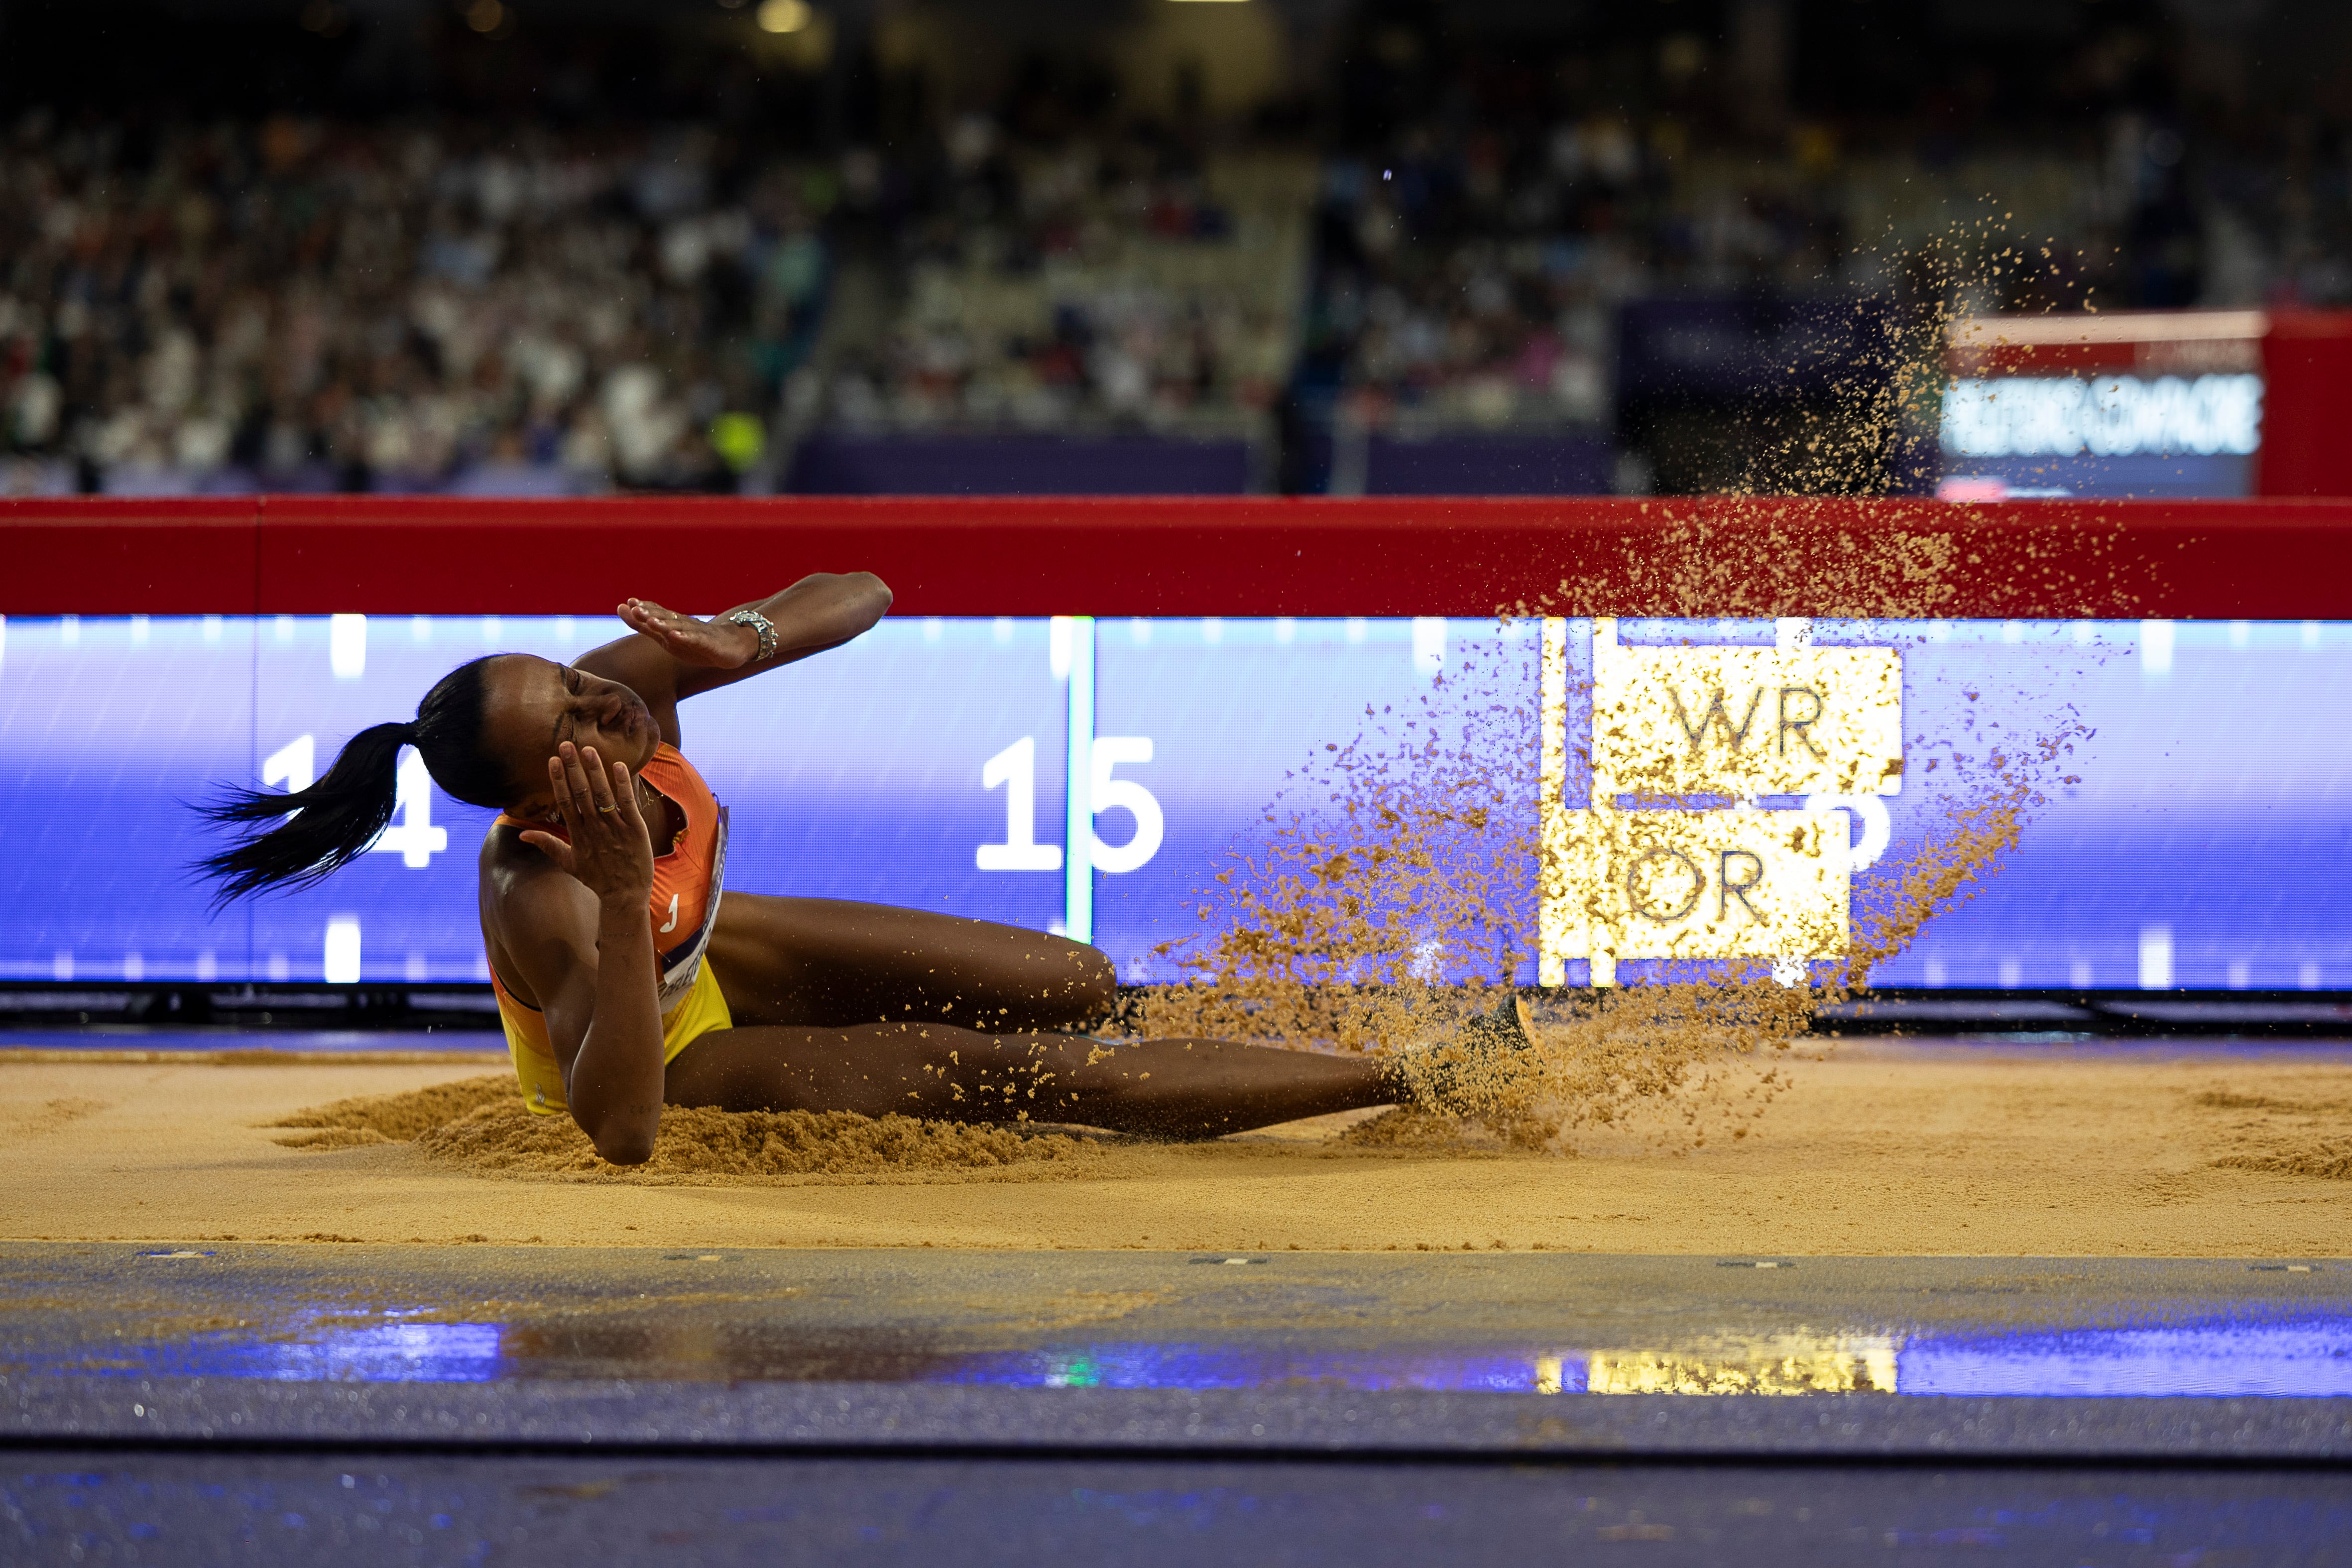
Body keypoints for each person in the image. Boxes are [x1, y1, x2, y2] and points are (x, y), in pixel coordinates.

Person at [199, 574, 1532, 1164]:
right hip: (656, 1055)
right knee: (1022, 1077)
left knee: (1071, 981)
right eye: (576, 723)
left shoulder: (624, 693)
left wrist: (747, 635)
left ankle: (1237, 1064)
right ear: (546, 795)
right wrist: (616, 900)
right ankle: (1421, 1073)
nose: (611, 709)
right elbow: (621, 1130)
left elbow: (868, 586)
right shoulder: (541, 895)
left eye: (585, 687)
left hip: (712, 958)